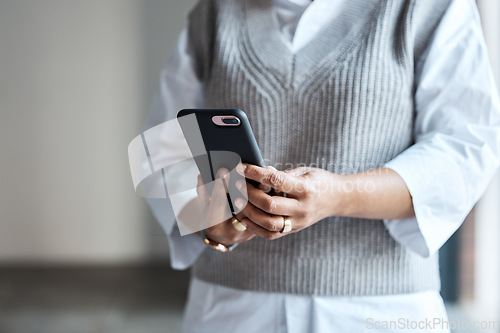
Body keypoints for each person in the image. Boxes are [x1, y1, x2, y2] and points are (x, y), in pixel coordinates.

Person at [143, 0, 500, 332]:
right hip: (231, 306)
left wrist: (339, 197)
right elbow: (161, 150)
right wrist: (215, 225)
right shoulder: (215, 13)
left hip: (379, 309)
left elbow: (464, 150)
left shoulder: (427, 7)